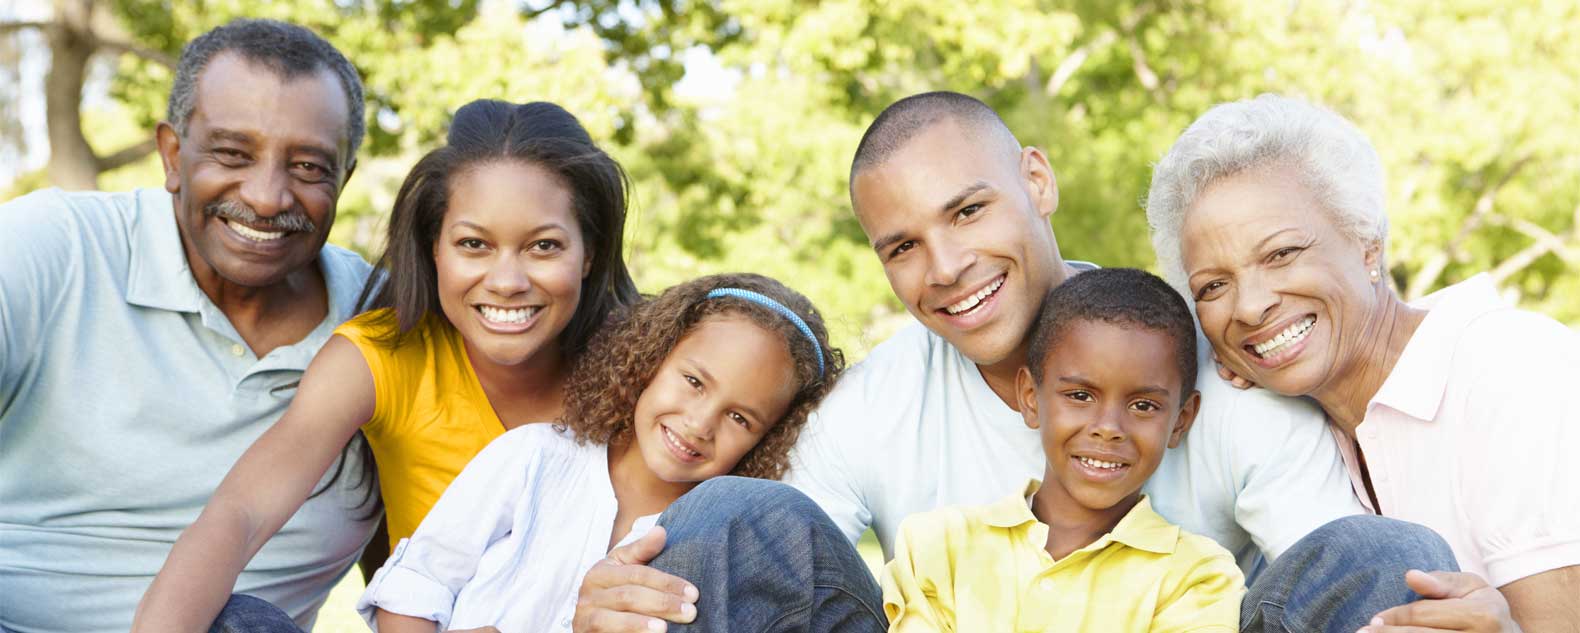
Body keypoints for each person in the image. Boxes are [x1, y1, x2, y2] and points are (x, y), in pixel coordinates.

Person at [572, 92, 1451, 633]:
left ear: (1037, 180)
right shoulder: (878, 406)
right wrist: (637, 588)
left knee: (1388, 555)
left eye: (967, 211)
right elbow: (763, 568)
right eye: (904, 246)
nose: (945, 268)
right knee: (729, 518)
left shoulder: (1207, 368)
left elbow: (1337, 577)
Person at [133, 98, 640, 632]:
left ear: (589, 252)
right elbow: (239, 515)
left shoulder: (653, 368)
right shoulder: (382, 357)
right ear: (433, 248)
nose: (507, 281)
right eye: (473, 244)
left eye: (543, 246)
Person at [1148, 93, 1580, 632]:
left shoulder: (1509, 369)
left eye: (1281, 254)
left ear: (1366, 242)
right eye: (1214, 286)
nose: (1251, 306)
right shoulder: (1284, 420)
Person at [0, 19, 374, 633]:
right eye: (232, 153)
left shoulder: (387, 326)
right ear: (173, 156)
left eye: (308, 166)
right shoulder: (56, 248)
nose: (265, 196)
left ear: (344, 179)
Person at [362, 273, 859, 633]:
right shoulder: (532, 458)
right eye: (692, 382)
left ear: (766, 439)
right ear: (652, 359)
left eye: (739, 418)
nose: (699, 423)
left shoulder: (720, 547)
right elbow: (417, 585)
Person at [882, 268, 1244, 632]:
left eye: (1143, 406)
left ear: (1181, 420)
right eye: (1080, 396)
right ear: (1030, 398)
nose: (1108, 428)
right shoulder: (939, 548)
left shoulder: (1196, 578)